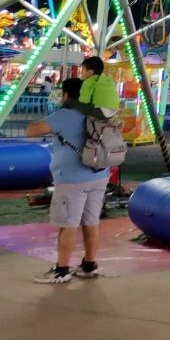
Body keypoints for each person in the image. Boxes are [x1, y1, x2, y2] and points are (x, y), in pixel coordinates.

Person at [26, 78, 110, 283]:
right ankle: (89, 265)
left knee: (68, 224)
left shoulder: (65, 114)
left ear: (66, 95)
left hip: (72, 179)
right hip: (99, 174)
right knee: (91, 222)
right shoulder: (99, 113)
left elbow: (32, 131)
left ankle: (61, 270)